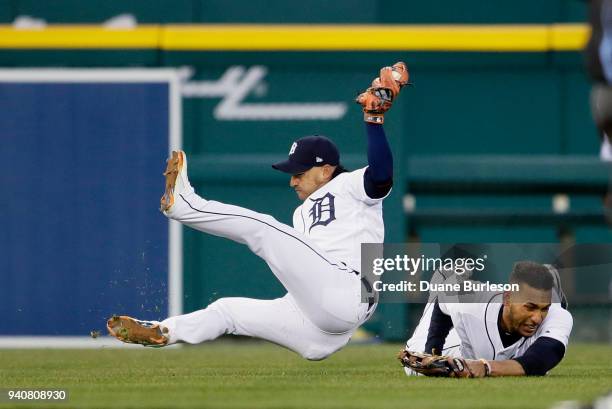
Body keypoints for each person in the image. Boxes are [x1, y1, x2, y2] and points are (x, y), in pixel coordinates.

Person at [106, 62, 409, 360]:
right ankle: (164, 331)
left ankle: (187, 206)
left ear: (326, 169)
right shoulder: (302, 213)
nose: (293, 180)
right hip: (319, 322)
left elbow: (381, 175)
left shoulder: (352, 184)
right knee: (228, 311)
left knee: (264, 229)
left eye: (300, 172)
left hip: (351, 290)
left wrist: (373, 119)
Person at [399, 261, 573, 377]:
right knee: (415, 365)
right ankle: (446, 278)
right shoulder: (472, 303)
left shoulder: (557, 315)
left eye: (544, 308)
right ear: (508, 299)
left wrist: (486, 367)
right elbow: (443, 302)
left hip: (482, 357)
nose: (537, 318)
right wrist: (432, 351)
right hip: (461, 341)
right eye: (530, 307)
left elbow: (540, 360)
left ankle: (552, 290)